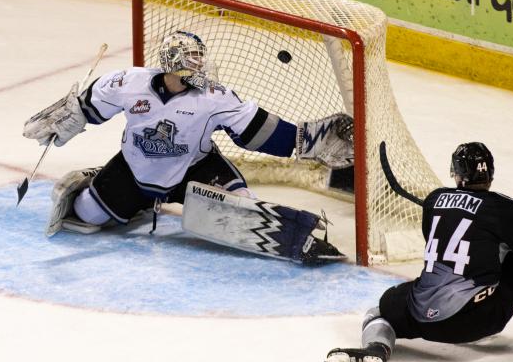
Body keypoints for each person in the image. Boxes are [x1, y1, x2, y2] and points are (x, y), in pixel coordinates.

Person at [23, 31, 352, 265]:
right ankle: (97, 182)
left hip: (196, 168)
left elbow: (255, 130)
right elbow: (90, 107)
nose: (199, 65)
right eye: (192, 59)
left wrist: (304, 140)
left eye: (199, 58)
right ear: (172, 62)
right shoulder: (128, 82)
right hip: (135, 169)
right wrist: (71, 113)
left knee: (244, 212)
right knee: (85, 216)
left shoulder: (214, 96)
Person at [325, 142, 513, 362]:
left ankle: (377, 348)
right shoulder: (507, 208)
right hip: (478, 319)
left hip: (423, 318)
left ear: (457, 175)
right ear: (490, 174)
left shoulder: (434, 201)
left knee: (379, 311)